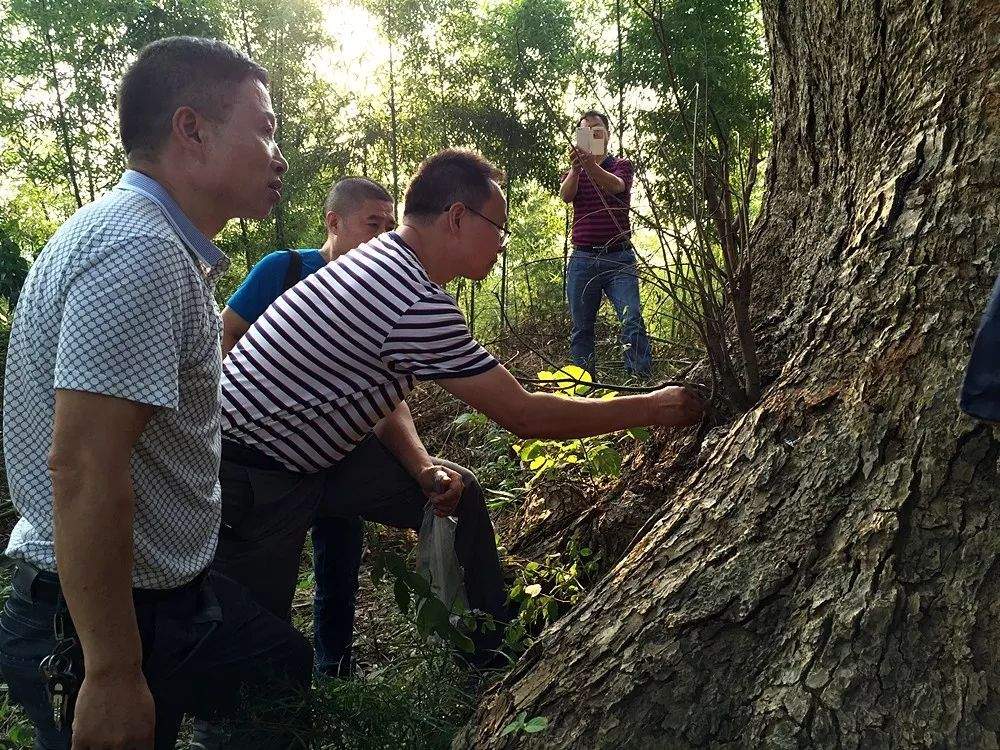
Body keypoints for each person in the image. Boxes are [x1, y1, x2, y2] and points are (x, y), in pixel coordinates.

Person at [215, 148, 704, 671]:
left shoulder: (382, 264)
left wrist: (422, 466)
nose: (501, 244)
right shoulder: (409, 295)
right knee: (249, 663)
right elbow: (525, 415)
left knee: (458, 490)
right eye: (498, 228)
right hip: (250, 471)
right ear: (456, 218)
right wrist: (653, 407)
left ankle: (487, 653)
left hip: (314, 456)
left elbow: (377, 394)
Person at [0, 37, 312, 750]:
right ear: (191, 130)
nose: (278, 153)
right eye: (263, 127)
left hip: (159, 596)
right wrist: (111, 673)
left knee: (277, 664)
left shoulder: (145, 242)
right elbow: (82, 465)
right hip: (102, 618)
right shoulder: (138, 250)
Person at [217, 177, 400, 678]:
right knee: (264, 572)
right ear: (333, 222)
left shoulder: (382, 293)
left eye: (390, 226)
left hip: (338, 450)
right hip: (264, 459)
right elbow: (227, 335)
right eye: (372, 224)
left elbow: (386, 394)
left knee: (340, 558)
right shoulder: (286, 269)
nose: (383, 237)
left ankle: (334, 663)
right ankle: (260, 687)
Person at [560, 110, 652, 380]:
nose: (591, 134)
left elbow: (616, 186)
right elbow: (565, 196)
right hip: (582, 259)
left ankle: (640, 381)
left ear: (607, 134)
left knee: (631, 319)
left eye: (597, 129)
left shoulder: (621, 164)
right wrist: (577, 170)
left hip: (619, 259)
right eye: (584, 130)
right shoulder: (574, 172)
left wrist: (589, 166)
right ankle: (581, 386)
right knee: (581, 327)